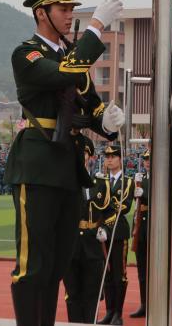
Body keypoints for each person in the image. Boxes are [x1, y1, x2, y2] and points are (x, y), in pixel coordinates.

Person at [5, 0, 125, 326]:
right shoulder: (27, 53)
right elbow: (62, 75)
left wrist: (107, 121)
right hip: (37, 164)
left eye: (73, 8)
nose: (70, 14)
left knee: (57, 264)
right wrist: (97, 26)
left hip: (68, 168)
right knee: (33, 265)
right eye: (63, 8)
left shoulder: (72, 58)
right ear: (41, 13)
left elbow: (90, 104)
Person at [64, 137, 104, 323]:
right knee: (72, 294)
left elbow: (110, 210)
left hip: (92, 244)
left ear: (91, 157)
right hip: (71, 244)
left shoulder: (100, 183)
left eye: (84, 153)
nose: (81, 156)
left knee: (92, 293)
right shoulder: (64, 182)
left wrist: (105, 228)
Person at [96, 144, 134, 325]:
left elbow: (123, 206)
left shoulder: (128, 181)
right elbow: (96, 205)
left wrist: (105, 222)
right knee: (107, 274)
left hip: (118, 231)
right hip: (103, 233)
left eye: (113, 156)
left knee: (119, 275)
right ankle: (109, 312)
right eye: (107, 157)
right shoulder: (101, 180)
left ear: (120, 159)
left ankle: (118, 314)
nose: (109, 160)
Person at [129, 150, 150, 318]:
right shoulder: (139, 178)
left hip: (154, 226)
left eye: (150, 159)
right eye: (145, 159)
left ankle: (157, 302)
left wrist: (146, 193)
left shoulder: (160, 178)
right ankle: (144, 303)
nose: (147, 162)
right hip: (141, 228)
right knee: (142, 270)